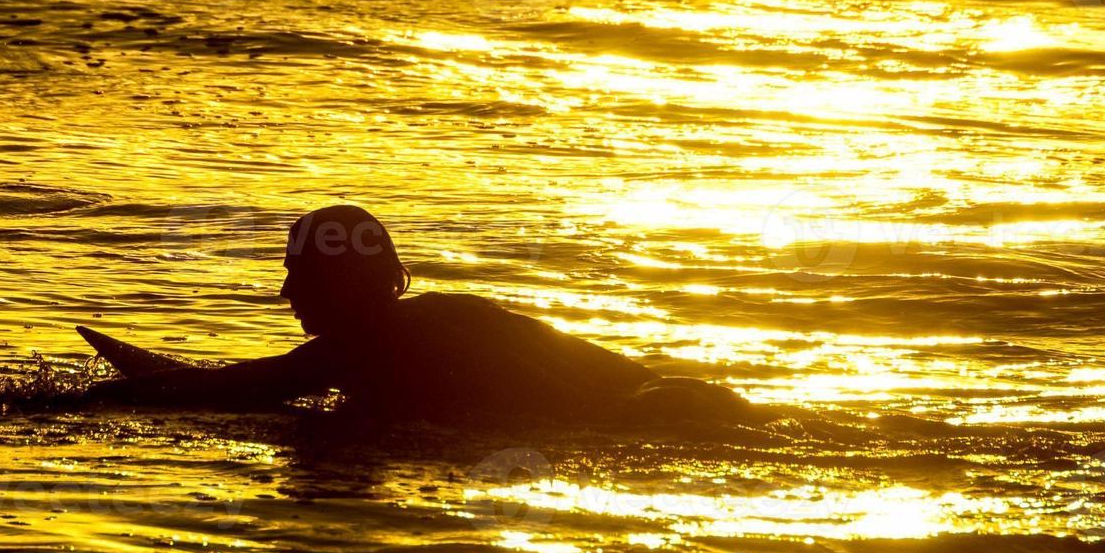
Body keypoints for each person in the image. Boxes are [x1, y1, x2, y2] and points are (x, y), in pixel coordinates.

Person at [82, 205, 749, 425]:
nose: (286, 293)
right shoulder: (456, 308)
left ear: (342, 283)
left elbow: (220, 392)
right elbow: (605, 370)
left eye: (299, 274)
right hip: (691, 402)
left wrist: (72, 403)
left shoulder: (355, 348)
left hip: (659, 422)